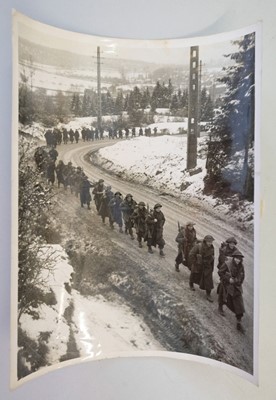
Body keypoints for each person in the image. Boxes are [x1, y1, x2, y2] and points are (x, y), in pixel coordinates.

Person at [217, 250, 245, 333]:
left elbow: (242, 276)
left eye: (239, 259)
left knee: (239, 303)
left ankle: (239, 322)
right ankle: (220, 307)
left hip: (236, 286)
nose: (238, 260)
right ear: (233, 258)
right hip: (227, 285)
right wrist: (228, 279)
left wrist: (237, 281)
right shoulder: (228, 264)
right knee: (223, 296)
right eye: (236, 258)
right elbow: (220, 272)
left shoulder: (241, 266)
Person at [189, 235, 215, 302]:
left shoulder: (212, 248)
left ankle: (208, 294)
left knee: (208, 280)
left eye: (211, 242)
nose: (210, 243)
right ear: (205, 241)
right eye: (208, 241)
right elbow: (191, 254)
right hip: (198, 264)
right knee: (194, 275)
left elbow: (212, 258)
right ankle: (191, 284)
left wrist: (212, 268)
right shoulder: (199, 246)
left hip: (207, 265)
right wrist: (195, 262)